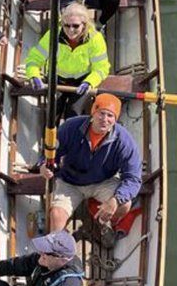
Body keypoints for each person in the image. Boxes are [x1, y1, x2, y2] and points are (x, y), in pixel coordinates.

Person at [40, 92, 142, 237]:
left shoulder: (125, 142)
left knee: (124, 205)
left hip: (103, 182)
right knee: (56, 216)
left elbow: (133, 178)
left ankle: (103, 221)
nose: (104, 119)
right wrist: (44, 165)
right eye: (101, 113)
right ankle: (60, 242)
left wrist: (115, 200)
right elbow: (51, 152)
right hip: (70, 182)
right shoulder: (71, 127)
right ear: (93, 113)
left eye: (110, 116)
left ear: (116, 119)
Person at [23, 3, 110, 111]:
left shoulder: (95, 39)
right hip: (56, 81)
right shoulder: (52, 35)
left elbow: (101, 68)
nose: (71, 30)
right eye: (66, 26)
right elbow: (33, 60)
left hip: (82, 83)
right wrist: (34, 76)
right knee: (52, 111)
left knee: (74, 111)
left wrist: (89, 82)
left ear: (84, 24)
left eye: (75, 26)